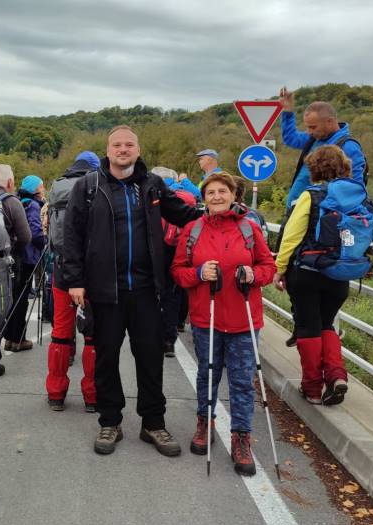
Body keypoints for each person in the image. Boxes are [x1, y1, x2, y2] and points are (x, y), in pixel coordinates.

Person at [62, 125, 200, 456]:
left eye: (129, 145)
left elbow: (183, 215)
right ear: (107, 150)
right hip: (104, 291)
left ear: (138, 150)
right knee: (106, 358)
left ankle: (154, 423)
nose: (123, 149)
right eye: (117, 145)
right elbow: (72, 235)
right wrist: (75, 280)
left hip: (146, 290)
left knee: (151, 358)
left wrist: (220, 215)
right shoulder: (89, 186)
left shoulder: (151, 184)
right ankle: (110, 421)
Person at [171, 171, 276, 476]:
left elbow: (268, 266)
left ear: (233, 195)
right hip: (207, 317)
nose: (217, 197)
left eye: (222, 191)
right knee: (208, 374)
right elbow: (178, 271)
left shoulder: (249, 229)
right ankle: (205, 422)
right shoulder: (193, 229)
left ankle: (241, 438)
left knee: (243, 382)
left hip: (243, 318)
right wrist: (199, 273)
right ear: (204, 198)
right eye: (211, 192)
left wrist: (253, 275)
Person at [273, 145, 355, 406]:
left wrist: (280, 268)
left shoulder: (312, 195)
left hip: (308, 272)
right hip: (340, 273)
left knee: (309, 327)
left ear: (314, 168)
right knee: (326, 324)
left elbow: (291, 236)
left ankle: (311, 388)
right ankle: (336, 376)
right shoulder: (357, 197)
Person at [45, 151, 100, 412]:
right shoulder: (97, 185)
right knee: (92, 336)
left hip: (60, 270)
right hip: (91, 273)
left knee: (60, 333)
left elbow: (50, 233)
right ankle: (92, 395)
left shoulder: (57, 187)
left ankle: (55, 393)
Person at [0, 164, 32, 380]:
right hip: (3, 265)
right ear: (10, 182)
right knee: (1, 310)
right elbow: (26, 236)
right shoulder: (12, 202)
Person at [279, 88, 367, 208]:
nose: (309, 132)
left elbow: (355, 190)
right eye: (307, 127)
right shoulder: (315, 138)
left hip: (318, 217)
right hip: (297, 210)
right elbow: (290, 138)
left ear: (330, 121)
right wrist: (287, 112)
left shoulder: (348, 147)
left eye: (313, 127)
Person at [151, 166, 199, 358]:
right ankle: (170, 337)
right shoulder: (188, 194)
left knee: (158, 292)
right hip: (184, 247)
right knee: (176, 291)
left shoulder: (155, 192)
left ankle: (157, 335)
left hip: (160, 247)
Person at [3, 175, 47, 351]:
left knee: (14, 297)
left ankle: (9, 338)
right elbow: (35, 232)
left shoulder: (19, 202)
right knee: (22, 299)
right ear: (35, 189)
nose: (43, 189)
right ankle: (19, 339)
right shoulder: (34, 205)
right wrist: (44, 243)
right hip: (28, 258)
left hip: (15, 256)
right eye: (41, 186)